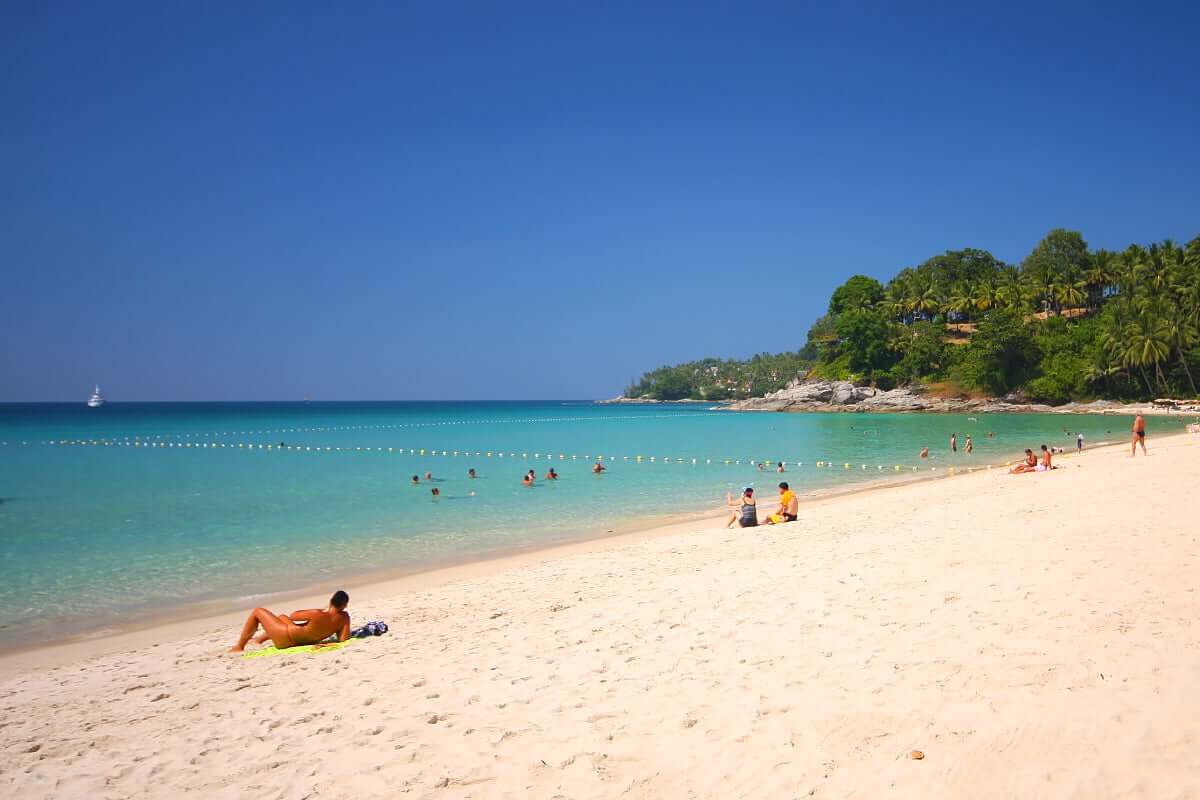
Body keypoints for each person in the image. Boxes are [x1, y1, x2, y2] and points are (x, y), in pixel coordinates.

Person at [229, 590, 350, 652]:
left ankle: (239, 646)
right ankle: (258, 640)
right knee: (282, 617)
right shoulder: (344, 618)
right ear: (344, 605)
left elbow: (293, 616)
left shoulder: (317, 614)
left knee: (257, 611)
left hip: (285, 638)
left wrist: (316, 610)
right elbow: (343, 639)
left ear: (331, 601)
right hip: (299, 641)